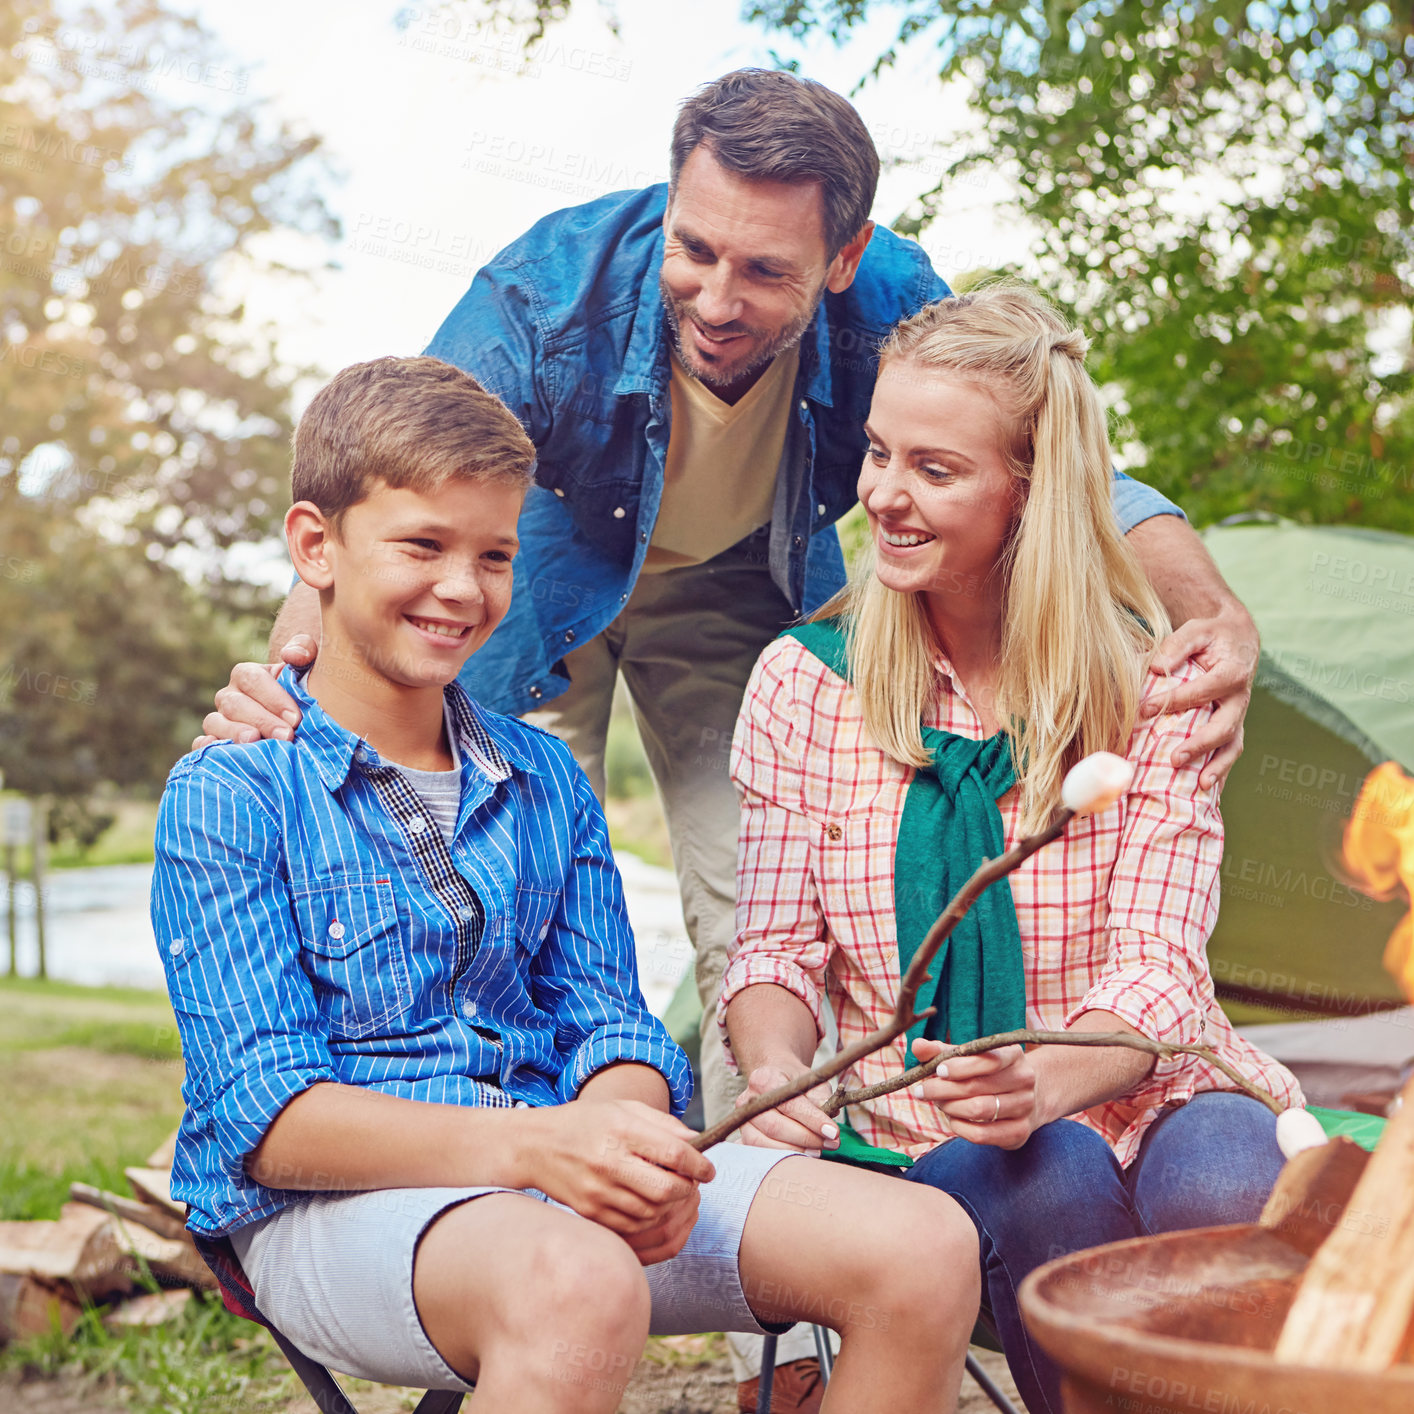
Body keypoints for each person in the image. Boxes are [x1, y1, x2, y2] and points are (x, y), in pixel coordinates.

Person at [193, 68, 1261, 1399]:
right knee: (474, 875)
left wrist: (1207, 604)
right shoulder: (546, 288)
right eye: (692, 249)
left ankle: (796, 1333)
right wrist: (290, 673)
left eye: (762, 268)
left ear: (841, 257)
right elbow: (386, 486)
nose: (713, 294)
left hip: (731, 593)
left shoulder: (892, 302)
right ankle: (483, 1286)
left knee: (733, 912)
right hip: (539, 583)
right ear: (666, 203)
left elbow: (1048, 444)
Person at [151, 355, 982, 1414]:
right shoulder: (233, 791)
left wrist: (623, 1137)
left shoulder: (541, 775)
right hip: (328, 1213)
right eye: (422, 545)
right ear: (315, 545)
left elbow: (610, 1022)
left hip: (555, 1172)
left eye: (494, 554)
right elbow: (268, 1120)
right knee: (575, 1283)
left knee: (919, 1244)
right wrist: (542, 1147)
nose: (462, 588)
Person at [719, 286, 1304, 1414]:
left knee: (1230, 1173)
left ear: (1031, 494)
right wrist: (779, 1067)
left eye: (935, 470)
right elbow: (775, 954)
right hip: (927, 1127)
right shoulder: (805, 681)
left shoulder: (1154, 693)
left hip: (1145, 1083)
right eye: (880, 452)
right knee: (1053, 1177)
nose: (884, 494)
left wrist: (1049, 1074)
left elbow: (1160, 967)